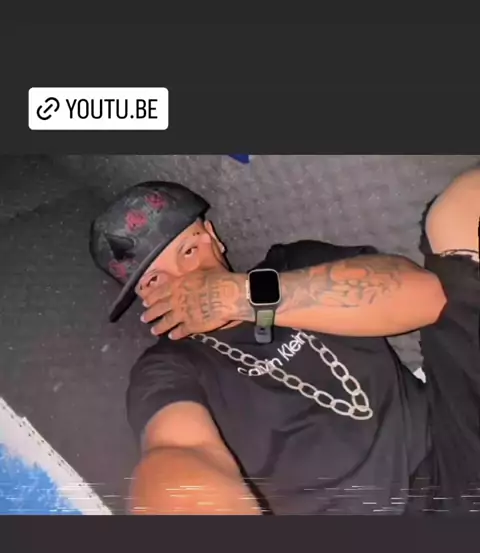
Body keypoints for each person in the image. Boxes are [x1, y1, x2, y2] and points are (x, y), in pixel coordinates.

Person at [89, 173, 480, 516]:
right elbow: (177, 449)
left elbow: (428, 298)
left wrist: (242, 296)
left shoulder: (293, 263)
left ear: (213, 238)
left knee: (463, 202)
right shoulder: (168, 366)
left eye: (188, 251)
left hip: (454, 446)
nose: (183, 281)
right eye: (155, 280)